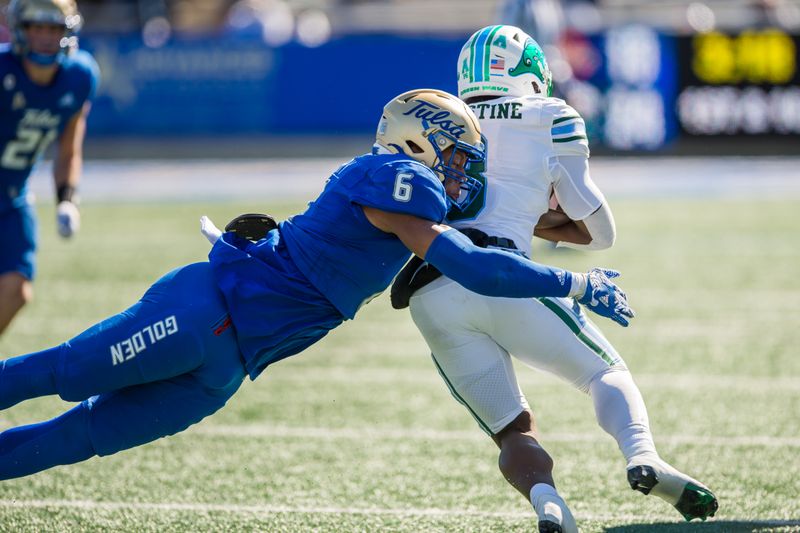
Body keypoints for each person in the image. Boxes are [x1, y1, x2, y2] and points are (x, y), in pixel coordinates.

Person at [0, 88, 633, 481]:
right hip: (206, 312)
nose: (465, 169)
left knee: (81, 438)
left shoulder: (412, 196)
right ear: (419, 142)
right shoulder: (390, 175)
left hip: (231, 365)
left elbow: (491, 237)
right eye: (460, 154)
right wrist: (573, 285)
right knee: (66, 374)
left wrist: (555, 231)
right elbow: (476, 266)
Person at [391, 26, 717, 533]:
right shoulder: (552, 115)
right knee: (604, 373)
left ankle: (548, 502)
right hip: (504, 274)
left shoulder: (438, 116)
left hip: (430, 293)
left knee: (511, 428)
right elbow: (600, 229)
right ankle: (642, 455)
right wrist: (539, 219)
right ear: (528, 69)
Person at [0, 0, 99, 336]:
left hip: (12, 195)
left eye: (53, 28)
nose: (44, 36)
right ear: (20, 30)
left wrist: (66, 199)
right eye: (36, 27)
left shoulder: (79, 76)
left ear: (67, 31)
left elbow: (69, 148)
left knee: (16, 290)